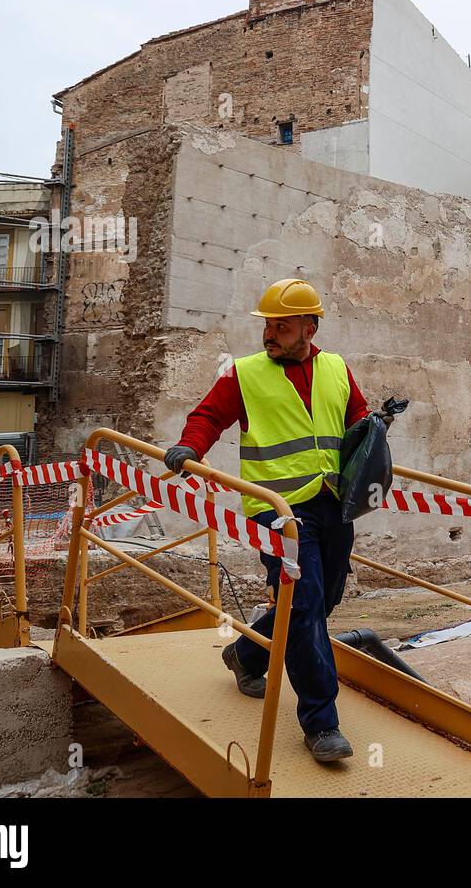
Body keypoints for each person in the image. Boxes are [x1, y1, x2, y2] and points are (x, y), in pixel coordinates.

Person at [164, 279, 369, 763]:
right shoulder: (245, 374)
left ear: (309, 327)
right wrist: (191, 446)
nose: (270, 333)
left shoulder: (337, 368)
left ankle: (247, 654)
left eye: (282, 325)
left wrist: (375, 431)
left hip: (331, 502)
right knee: (303, 606)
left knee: (326, 597)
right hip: (278, 511)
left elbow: (356, 419)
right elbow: (209, 416)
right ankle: (321, 724)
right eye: (267, 325)